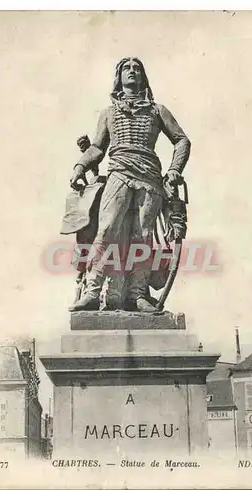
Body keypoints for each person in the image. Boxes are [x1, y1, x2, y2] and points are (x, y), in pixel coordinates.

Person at [70, 57, 191, 312]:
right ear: (119, 76)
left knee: (143, 237)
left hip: (150, 177)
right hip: (119, 172)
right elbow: (97, 147)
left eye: (137, 68)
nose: (132, 71)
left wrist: (174, 171)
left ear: (143, 76)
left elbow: (181, 141)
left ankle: (138, 294)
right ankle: (92, 291)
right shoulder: (108, 112)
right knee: (106, 230)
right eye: (127, 68)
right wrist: (80, 166)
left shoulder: (158, 110)